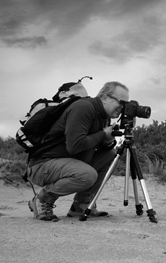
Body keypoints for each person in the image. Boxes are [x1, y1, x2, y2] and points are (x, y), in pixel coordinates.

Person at [27, 81, 129, 221]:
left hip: (67, 163)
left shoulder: (103, 117)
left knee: (111, 156)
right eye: (121, 102)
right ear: (105, 98)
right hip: (42, 165)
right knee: (88, 175)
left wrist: (108, 140)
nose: (123, 107)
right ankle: (42, 200)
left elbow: (97, 146)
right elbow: (74, 146)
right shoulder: (84, 107)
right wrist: (103, 135)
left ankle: (81, 206)